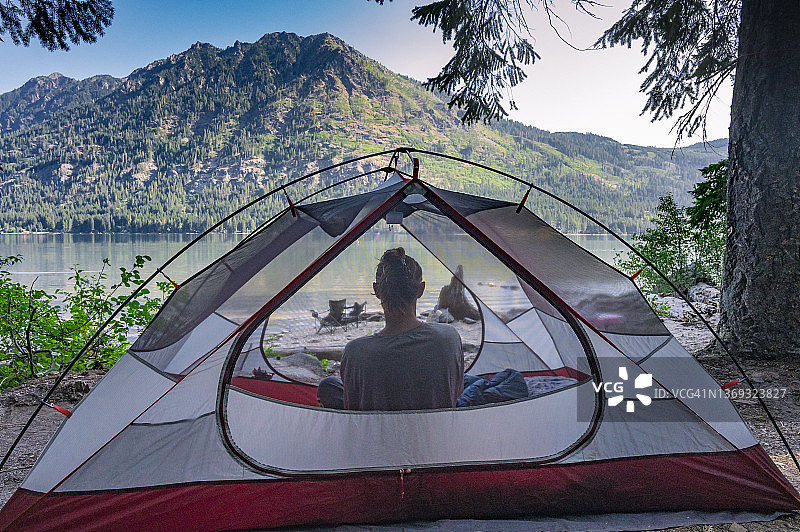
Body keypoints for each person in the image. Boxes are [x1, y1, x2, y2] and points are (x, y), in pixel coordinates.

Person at [317, 247, 464, 410]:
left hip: (379, 433)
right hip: (435, 431)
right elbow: (456, 392)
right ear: (421, 289)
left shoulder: (355, 352)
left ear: (376, 290)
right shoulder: (449, 337)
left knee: (329, 385)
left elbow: (353, 410)